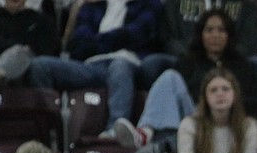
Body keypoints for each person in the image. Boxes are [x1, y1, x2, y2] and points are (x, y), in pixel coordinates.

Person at [111, 9, 257, 150]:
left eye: (221, 30)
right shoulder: (188, 63)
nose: (215, 35)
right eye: (209, 30)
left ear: (229, 36)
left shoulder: (243, 66)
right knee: (169, 77)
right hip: (195, 121)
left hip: (230, 124)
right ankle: (145, 133)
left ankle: (161, 144)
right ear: (201, 35)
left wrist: (230, 104)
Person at [26, 0, 164, 135]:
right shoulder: (91, 7)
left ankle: (115, 131)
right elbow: (79, 44)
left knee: (119, 65)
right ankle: (50, 133)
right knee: (41, 66)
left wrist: (97, 41)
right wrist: (115, 40)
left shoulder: (149, 4)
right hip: (92, 67)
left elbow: (137, 35)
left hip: (129, 63)